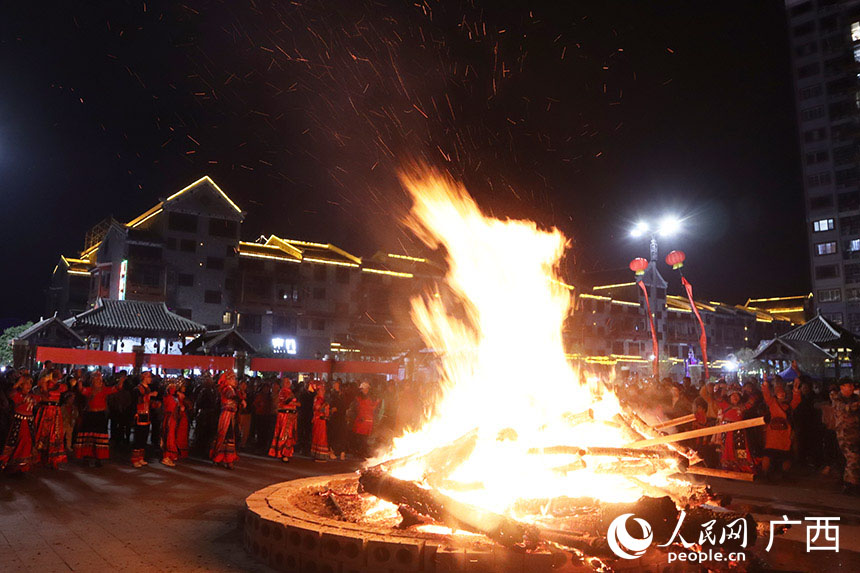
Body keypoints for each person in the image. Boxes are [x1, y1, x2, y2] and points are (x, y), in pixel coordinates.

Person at [760, 378, 802, 480]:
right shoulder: (772, 403)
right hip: (773, 434)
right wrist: (765, 383)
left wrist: (796, 389)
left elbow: (796, 401)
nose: (781, 395)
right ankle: (766, 473)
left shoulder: (787, 406)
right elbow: (766, 395)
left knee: (785, 455)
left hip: (784, 434)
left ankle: (783, 474)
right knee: (770, 454)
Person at [74, 371, 118, 466]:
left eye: (100, 380)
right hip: (90, 415)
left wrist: (121, 380)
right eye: (96, 380)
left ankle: (98, 458)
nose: (99, 381)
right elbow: (81, 390)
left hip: (100, 415)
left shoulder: (104, 390)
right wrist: (79, 380)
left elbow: (117, 388)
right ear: (92, 381)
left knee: (100, 438)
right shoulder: (89, 390)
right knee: (88, 437)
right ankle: (86, 457)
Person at [0, 375, 36, 473]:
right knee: (18, 442)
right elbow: (9, 394)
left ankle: (23, 465)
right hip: (19, 423)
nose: (29, 386)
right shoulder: (17, 394)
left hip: (29, 424)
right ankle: (14, 464)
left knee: (27, 442)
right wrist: (18, 383)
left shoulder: (31, 396)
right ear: (21, 385)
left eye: (30, 383)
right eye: (26, 383)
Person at [33, 373, 69, 469]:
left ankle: (54, 459)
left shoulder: (59, 385)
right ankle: (40, 458)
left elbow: (65, 388)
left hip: (55, 410)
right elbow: (45, 392)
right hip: (46, 409)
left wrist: (55, 382)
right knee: (43, 433)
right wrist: (47, 380)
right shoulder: (45, 382)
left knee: (55, 433)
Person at [831, 378, 860, 494]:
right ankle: (850, 485)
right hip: (845, 434)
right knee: (852, 458)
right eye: (849, 385)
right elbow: (847, 408)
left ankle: (850, 482)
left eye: (852, 385)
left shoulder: (855, 398)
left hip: (856, 432)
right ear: (842, 387)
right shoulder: (837, 399)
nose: (852, 388)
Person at [211, 371, 242, 469]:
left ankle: (224, 458)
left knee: (227, 436)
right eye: (233, 379)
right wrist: (241, 399)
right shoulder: (227, 389)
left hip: (230, 415)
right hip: (227, 415)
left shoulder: (231, 389)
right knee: (226, 435)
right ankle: (225, 458)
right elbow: (231, 396)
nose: (235, 381)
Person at [132, 372, 157, 468]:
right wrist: (149, 395)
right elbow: (137, 401)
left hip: (147, 415)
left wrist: (154, 404)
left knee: (144, 436)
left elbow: (148, 402)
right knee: (138, 437)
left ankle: (141, 457)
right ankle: (135, 459)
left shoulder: (148, 388)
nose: (150, 379)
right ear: (144, 378)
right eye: (149, 377)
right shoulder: (137, 389)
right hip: (139, 415)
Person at [268, 379, 298, 462]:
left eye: (289, 382)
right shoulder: (282, 392)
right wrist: (295, 403)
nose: (288, 384)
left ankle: (286, 452)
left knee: (288, 434)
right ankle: (282, 452)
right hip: (284, 416)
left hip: (290, 416)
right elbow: (286, 401)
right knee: (284, 433)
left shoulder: (290, 392)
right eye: (286, 382)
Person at [350, 381, 379, 459]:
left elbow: (371, 408)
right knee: (360, 438)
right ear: (361, 390)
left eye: (367, 389)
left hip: (367, 422)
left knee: (365, 439)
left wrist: (376, 403)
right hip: (361, 421)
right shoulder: (358, 399)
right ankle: (360, 452)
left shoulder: (369, 398)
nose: (366, 390)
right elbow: (355, 409)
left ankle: (363, 452)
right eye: (365, 389)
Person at [161, 382, 182, 467]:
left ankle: (171, 455)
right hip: (169, 419)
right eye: (171, 387)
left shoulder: (174, 397)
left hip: (173, 419)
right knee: (169, 437)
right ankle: (166, 457)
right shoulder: (167, 397)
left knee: (172, 437)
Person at [310, 382, 332, 461]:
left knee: (321, 437)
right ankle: (319, 455)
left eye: (324, 390)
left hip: (321, 420)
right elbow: (317, 408)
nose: (323, 391)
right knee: (320, 437)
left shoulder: (322, 399)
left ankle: (319, 454)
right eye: (321, 390)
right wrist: (325, 405)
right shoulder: (318, 399)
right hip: (319, 420)